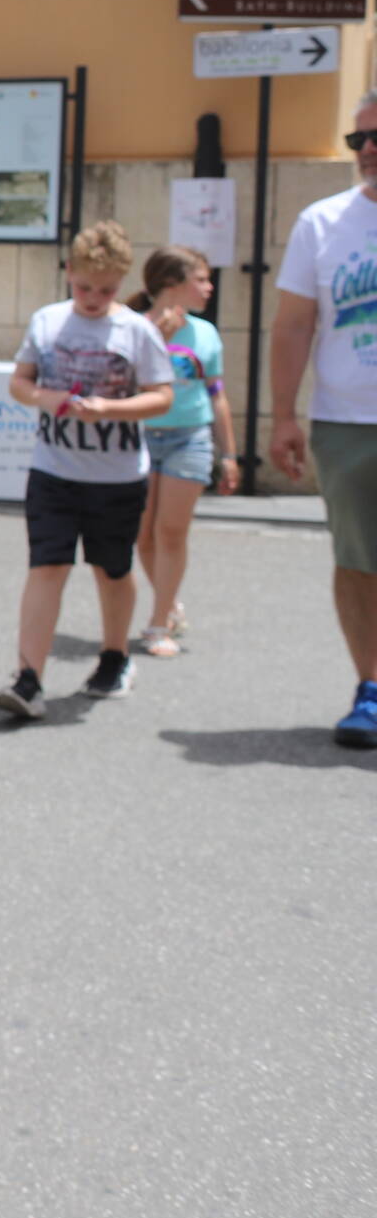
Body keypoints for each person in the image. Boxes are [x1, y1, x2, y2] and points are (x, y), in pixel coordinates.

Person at [0, 220, 176, 719]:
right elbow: (19, 383)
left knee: (112, 569)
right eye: (84, 287)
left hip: (116, 477)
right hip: (53, 471)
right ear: (68, 272)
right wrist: (45, 398)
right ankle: (29, 678)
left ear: (121, 283)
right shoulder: (47, 322)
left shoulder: (135, 330)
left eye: (106, 290)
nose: (93, 298)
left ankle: (114, 658)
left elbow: (162, 396)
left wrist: (111, 410)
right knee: (46, 565)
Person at [269, 88, 377, 748]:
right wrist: (283, 415)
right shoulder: (322, 222)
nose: (368, 148)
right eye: (358, 139)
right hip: (347, 423)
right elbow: (291, 326)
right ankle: (370, 687)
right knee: (359, 559)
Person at [127, 245, 238, 657]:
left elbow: (217, 396)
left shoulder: (206, 333)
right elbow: (123, 384)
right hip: (138, 437)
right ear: (172, 284)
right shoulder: (132, 326)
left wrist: (229, 455)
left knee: (170, 532)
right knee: (143, 535)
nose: (209, 288)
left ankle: (158, 624)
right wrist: (159, 338)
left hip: (189, 438)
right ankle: (169, 602)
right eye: (201, 279)